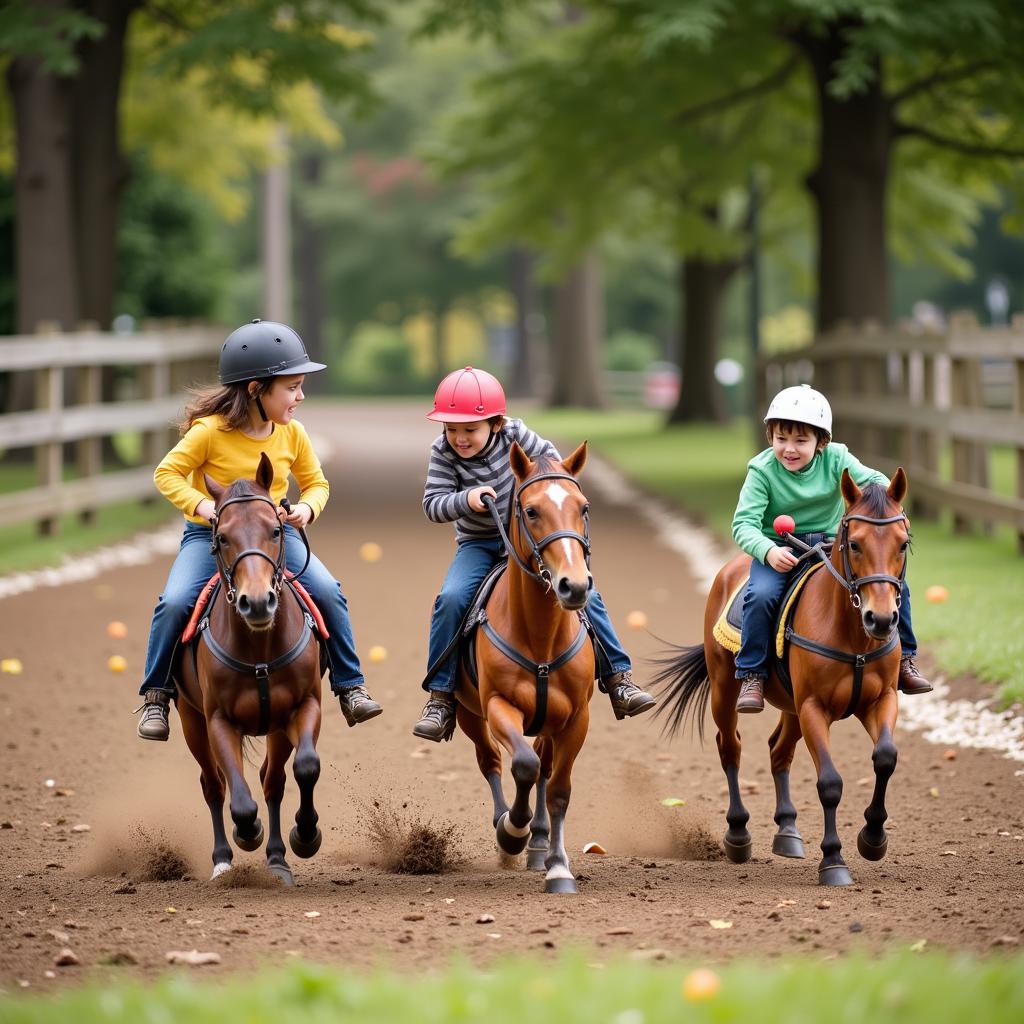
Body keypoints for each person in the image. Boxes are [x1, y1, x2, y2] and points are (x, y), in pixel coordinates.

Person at [135, 319, 382, 740]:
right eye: (292, 387)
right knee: (175, 601)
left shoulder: (293, 434)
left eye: (301, 386)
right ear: (255, 389)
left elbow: (318, 483)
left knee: (328, 590)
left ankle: (349, 684)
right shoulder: (208, 432)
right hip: (211, 538)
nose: (300, 396)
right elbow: (167, 472)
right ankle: (156, 695)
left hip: (273, 540)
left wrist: (307, 507)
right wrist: (204, 507)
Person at [412, 366, 656, 742]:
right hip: (479, 545)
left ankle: (618, 678)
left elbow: (553, 472)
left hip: (532, 543)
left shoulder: (517, 433)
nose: (459, 438)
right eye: (451, 428)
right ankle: (441, 697)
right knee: (452, 597)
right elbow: (432, 505)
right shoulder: (442, 451)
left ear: (496, 423)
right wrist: (467, 499)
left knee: (586, 592)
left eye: (469, 429)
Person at [731, 384, 932, 713]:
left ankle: (906, 660)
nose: (789, 449)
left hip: (830, 547)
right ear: (770, 437)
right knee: (762, 595)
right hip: (780, 550)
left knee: (897, 587)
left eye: (801, 441)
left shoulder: (838, 458)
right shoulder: (762, 470)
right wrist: (767, 551)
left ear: (821, 442)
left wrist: (890, 508)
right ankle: (752, 672)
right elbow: (743, 525)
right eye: (781, 439)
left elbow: (876, 481)